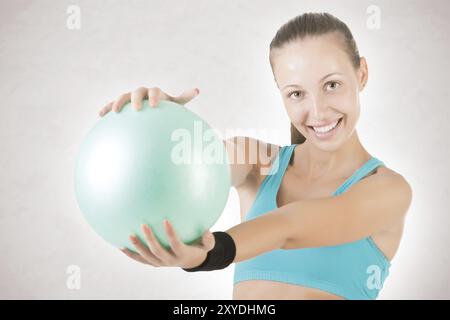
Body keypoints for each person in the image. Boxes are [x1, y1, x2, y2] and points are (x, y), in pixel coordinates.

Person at [99, 12, 412, 300]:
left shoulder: (388, 191)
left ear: (362, 74)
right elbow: (187, 168)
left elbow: (289, 227)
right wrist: (157, 120)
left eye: (332, 84)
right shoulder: (255, 162)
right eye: (297, 93)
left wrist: (212, 253)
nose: (317, 110)